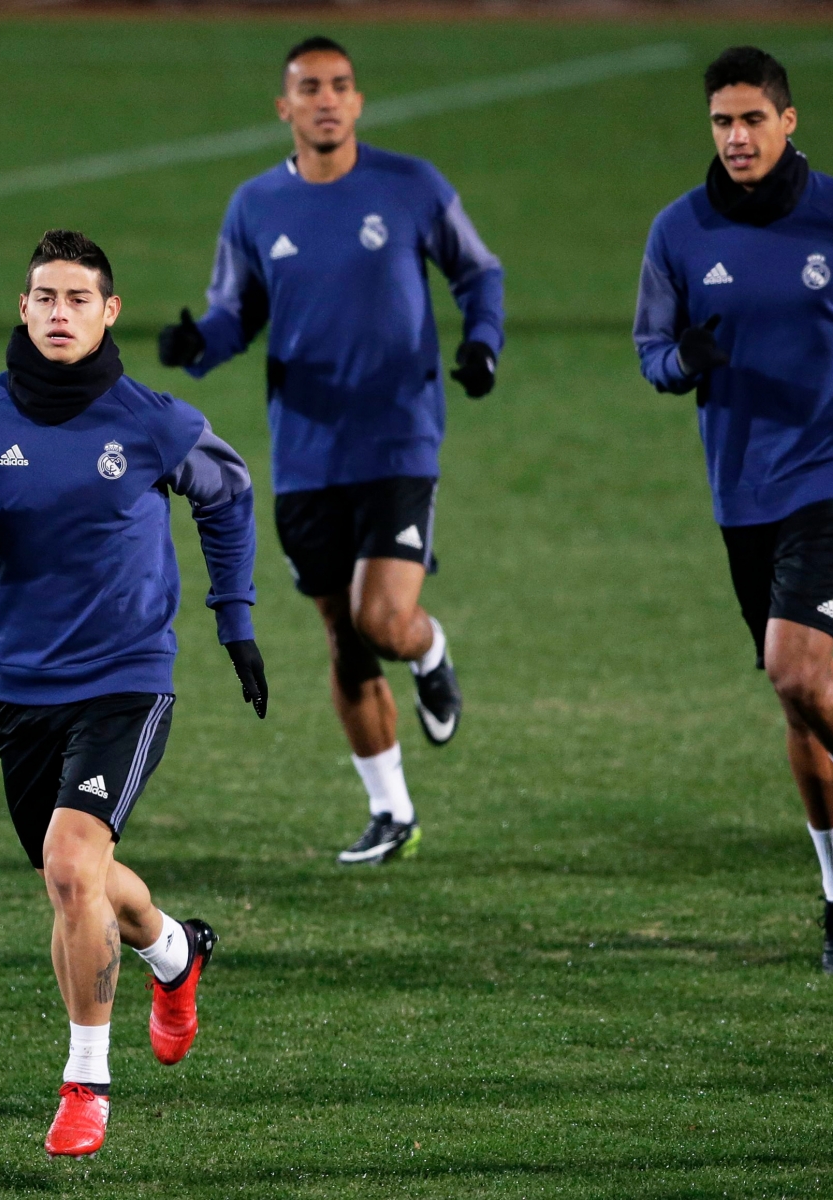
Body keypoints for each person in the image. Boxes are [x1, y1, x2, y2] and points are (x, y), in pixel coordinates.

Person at [0, 230, 266, 1158]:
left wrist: (235, 618)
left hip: (128, 681)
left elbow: (229, 491)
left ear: (109, 312)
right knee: (79, 882)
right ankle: (174, 953)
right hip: (23, 691)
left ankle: (85, 1082)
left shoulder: (151, 419)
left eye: (77, 299)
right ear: (23, 309)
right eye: (44, 298)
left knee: (68, 862)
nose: (60, 313)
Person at [633, 47, 833, 974]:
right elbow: (651, 351)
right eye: (721, 122)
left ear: (788, 121)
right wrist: (684, 363)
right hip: (742, 490)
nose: (736, 137)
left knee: (793, 665)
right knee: (797, 697)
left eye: (751, 119)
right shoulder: (679, 231)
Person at [156, 36, 506, 867]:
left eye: (340, 86)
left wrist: (482, 343)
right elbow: (234, 314)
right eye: (308, 88)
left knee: (382, 619)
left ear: (357, 103)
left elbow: (478, 271)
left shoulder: (411, 186)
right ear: (285, 108)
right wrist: (193, 346)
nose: (325, 100)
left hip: (399, 436)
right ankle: (392, 815)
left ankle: (430, 649)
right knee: (343, 640)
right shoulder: (254, 207)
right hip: (307, 453)